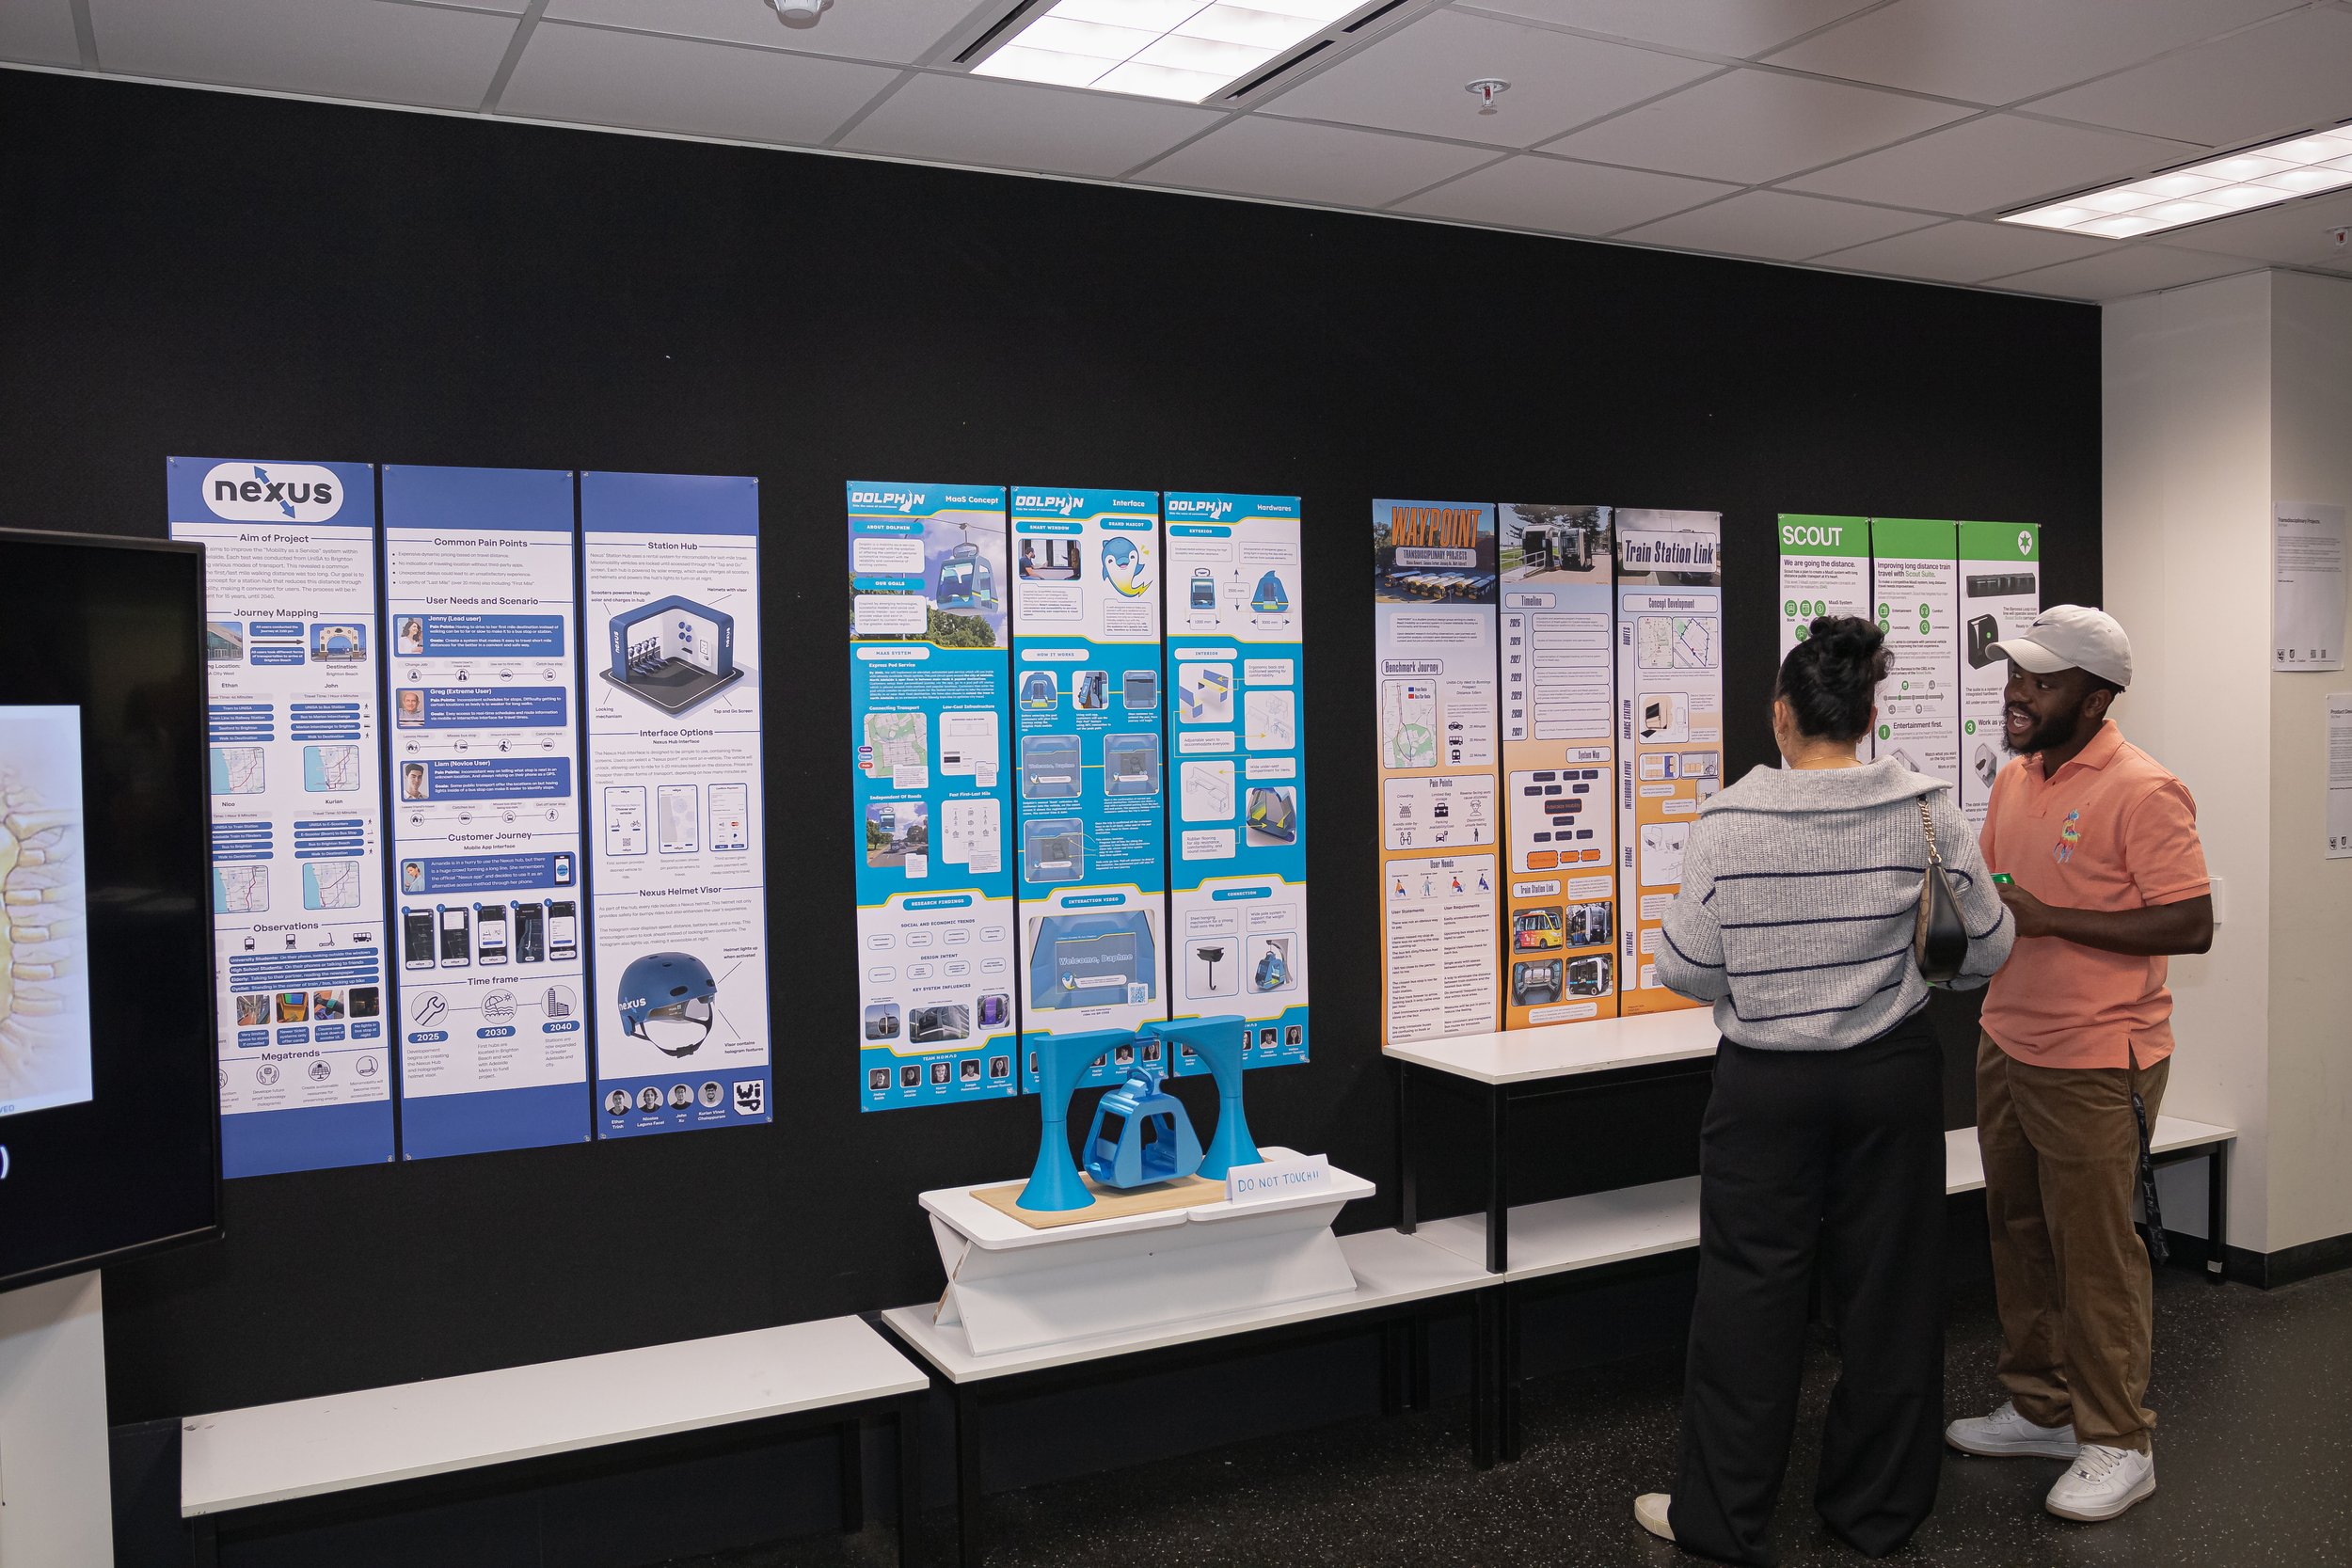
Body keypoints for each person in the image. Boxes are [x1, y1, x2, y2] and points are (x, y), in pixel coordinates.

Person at [1635, 616, 2013, 1566]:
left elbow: (1685, 967)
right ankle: (1875, 1513)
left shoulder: (1728, 820)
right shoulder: (1926, 809)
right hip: (1889, 1078)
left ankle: (1722, 1518)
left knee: (1746, 1298)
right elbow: (1989, 946)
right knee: (1891, 1295)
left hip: (1764, 1088)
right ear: (1868, 715)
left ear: (1781, 715)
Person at [1946, 606, 2211, 1524]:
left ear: (2095, 699)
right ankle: (2044, 1409)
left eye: (2041, 680)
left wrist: (2053, 918)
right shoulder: (2017, 778)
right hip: (2008, 1037)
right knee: (2019, 1230)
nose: (2017, 692)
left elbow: (2190, 922)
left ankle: (2118, 1441)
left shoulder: (2144, 788)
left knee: (2094, 1252)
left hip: (2098, 1056)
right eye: (2016, 674)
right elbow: (1995, 895)